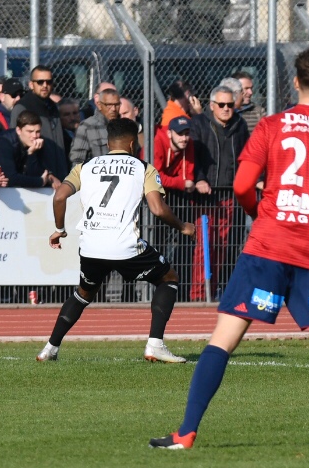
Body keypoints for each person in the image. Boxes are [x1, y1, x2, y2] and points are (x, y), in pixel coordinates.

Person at [150, 46, 309, 451]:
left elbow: (242, 186)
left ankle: (186, 432)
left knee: (222, 340)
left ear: (295, 82)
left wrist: (258, 212)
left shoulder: (272, 126)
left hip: (269, 245)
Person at [39, 117, 195, 365]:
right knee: (169, 278)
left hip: (90, 246)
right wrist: (183, 226)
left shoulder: (85, 166)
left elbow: (59, 197)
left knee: (83, 294)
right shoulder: (143, 167)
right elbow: (157, 208)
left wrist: (60, 229)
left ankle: (49, 348)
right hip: (124, 246)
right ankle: (155, 345)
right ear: (133, 143)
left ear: (108, 142)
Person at [189, 84, 251, 293]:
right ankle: (198, 294)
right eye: (222, 104)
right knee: (203, 246)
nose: (226, 109)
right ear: (212, 105)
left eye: (230, 105)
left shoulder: (239, 125)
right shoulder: (198, 124)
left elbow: (245, 155)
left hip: (228, 194)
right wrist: (199, 179)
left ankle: (212, 291)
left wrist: (252, 180)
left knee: (222, 246)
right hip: (204, 196)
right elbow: (192, 156)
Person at [153, 115, 201, 293]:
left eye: (187, 133)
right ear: (169, 133)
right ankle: (149, 289)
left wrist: (184, 182)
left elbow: (189, 172)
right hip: (156, 197)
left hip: (178, 198)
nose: (184, 138)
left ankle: (182, 290)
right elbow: (155, 175)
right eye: (180, 134)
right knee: (155, 243)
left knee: (185, 243)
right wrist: (181, 183)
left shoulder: (189, 146)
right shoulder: (157, 142)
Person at [0, 108, 61, 187]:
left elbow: (34, 173)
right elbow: (11, 177)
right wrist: (39, 182)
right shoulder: (4, 142)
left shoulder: (38, 142)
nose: (34, 136)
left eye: (37, 132)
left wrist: (31, 154)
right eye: (30, 132)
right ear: (18, 130)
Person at [68, 86, 122, 164]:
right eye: (109, 105)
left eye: (116, 104)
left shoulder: (124, 127)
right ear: (99, 105)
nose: (113, 109)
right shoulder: (87, 127)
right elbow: (77, 160)